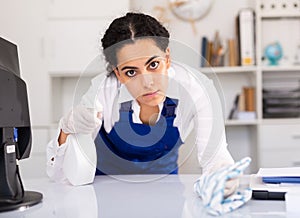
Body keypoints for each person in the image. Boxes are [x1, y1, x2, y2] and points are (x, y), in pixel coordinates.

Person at [46, 12, 238, 196]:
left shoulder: (197, 88)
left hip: (167, 196)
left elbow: (215, 156)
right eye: (131, 72)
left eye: (153, 65)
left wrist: (221, 177)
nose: (147, 83)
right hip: (105, 196)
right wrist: (66, 131)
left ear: (168, 58)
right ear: (118, 74)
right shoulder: (102, 91)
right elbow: (62, 176)